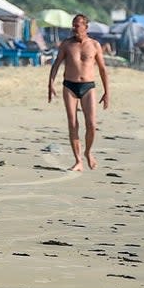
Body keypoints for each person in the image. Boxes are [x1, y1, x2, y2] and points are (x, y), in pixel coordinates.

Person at [48, 13, 111, 171]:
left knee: (91, 124)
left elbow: (103, 69)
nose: (74, 28)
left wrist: (107, 92)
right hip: (69, 86)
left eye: (77, 25)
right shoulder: (66, 45)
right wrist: (50, 84)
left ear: (86, 27)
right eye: (73, 25)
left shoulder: (95, 45)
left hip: (88, 86)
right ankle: (78, 161)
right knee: (73, 123)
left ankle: (88, 152)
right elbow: (56, 64)